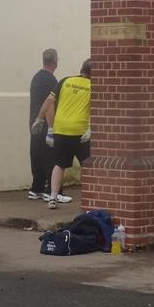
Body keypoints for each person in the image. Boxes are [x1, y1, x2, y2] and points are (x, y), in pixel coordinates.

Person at [35, 58, 92, 207]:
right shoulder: (94, 85)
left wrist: (41, 120)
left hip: (60, 130)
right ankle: (89, 198)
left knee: (59, 164)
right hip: (80, 132)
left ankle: (53, 197)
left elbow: (49, 101)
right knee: (87, 166)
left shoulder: (65, 81)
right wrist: (91, 128)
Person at [26, 48, 61, 201]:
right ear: (56, 62)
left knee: (36, 154)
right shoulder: (51, 81)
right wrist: (51, 128)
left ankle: (36, 188)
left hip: (34, 122)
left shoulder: (36, 78)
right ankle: (51, 189)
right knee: (50, 155)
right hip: (45, 123)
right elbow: (49, 104)